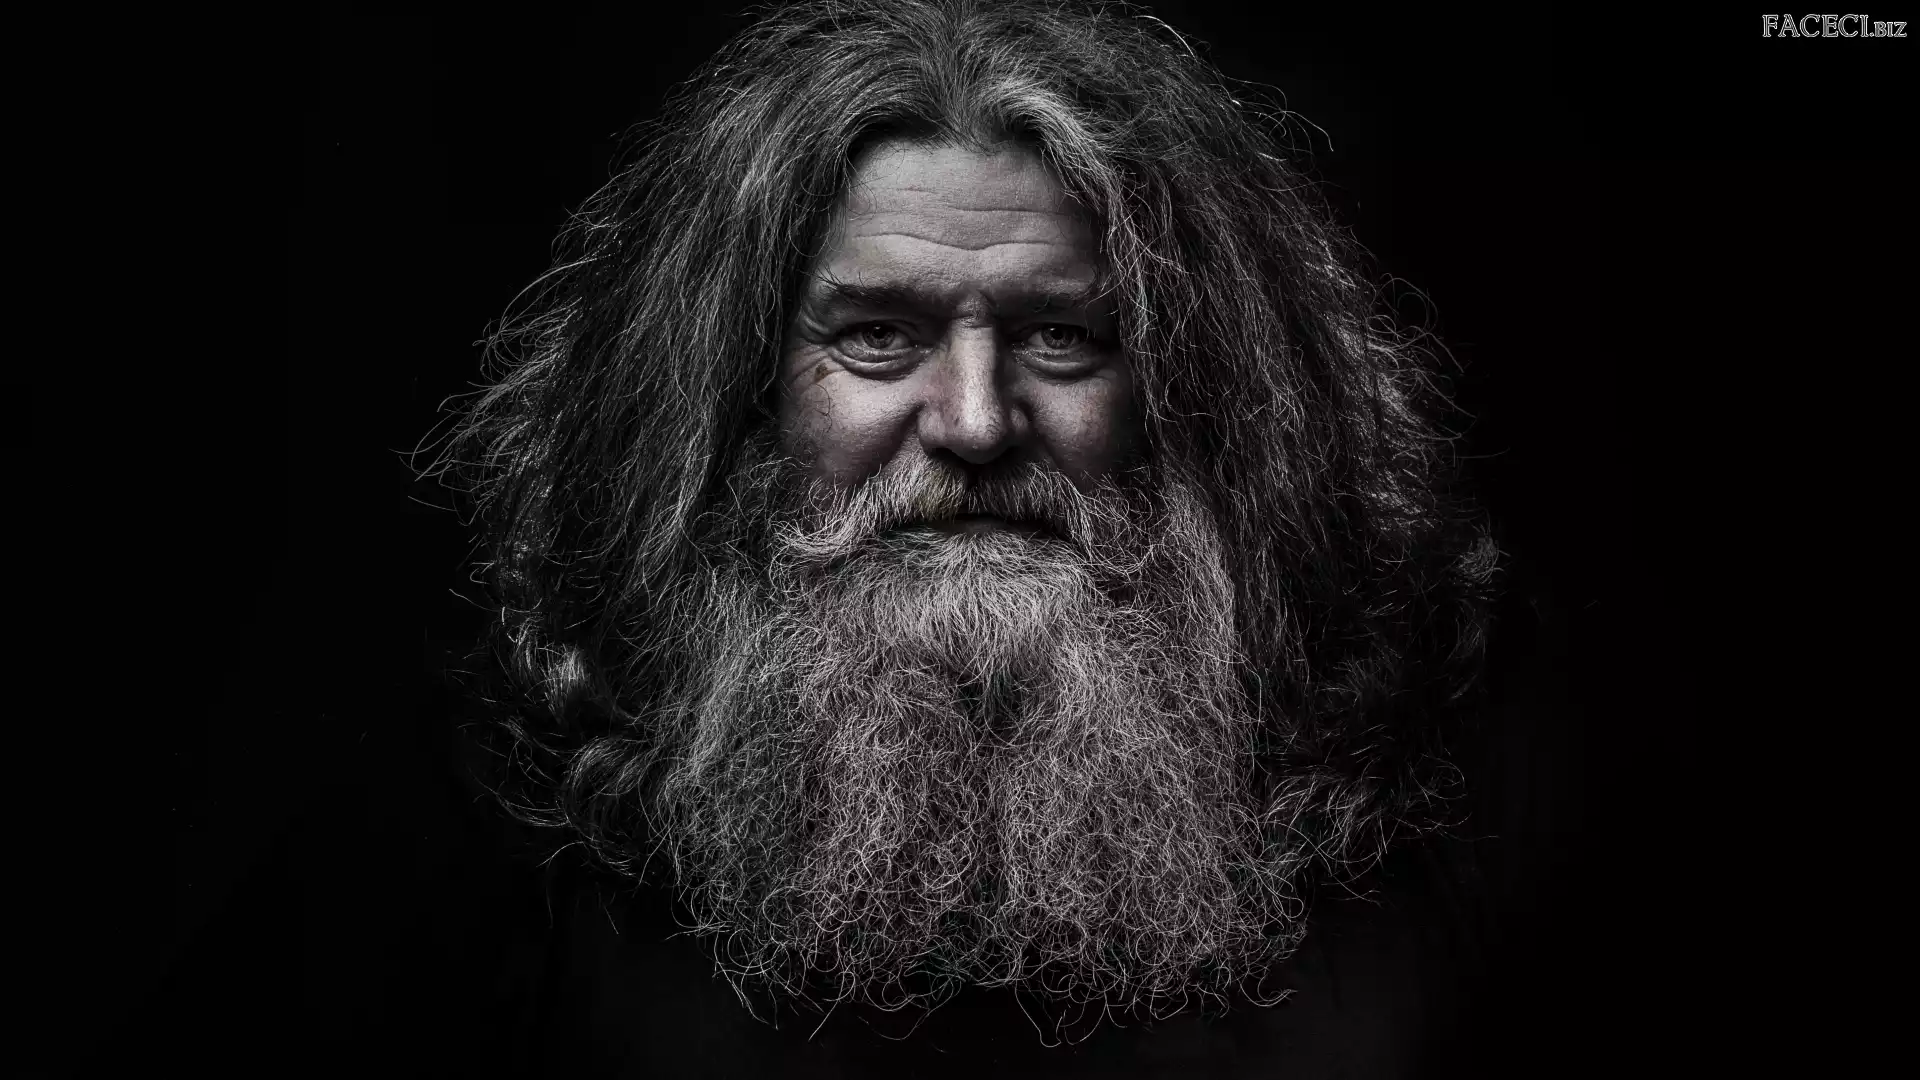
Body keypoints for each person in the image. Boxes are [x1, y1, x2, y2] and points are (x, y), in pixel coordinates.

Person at [405, 1, 1532, 1073]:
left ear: (1198, 397)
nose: (979, 425)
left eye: (1062, 336)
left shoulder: (1456, 868)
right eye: (878, 336)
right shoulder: (509, 883)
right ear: (733, 393)